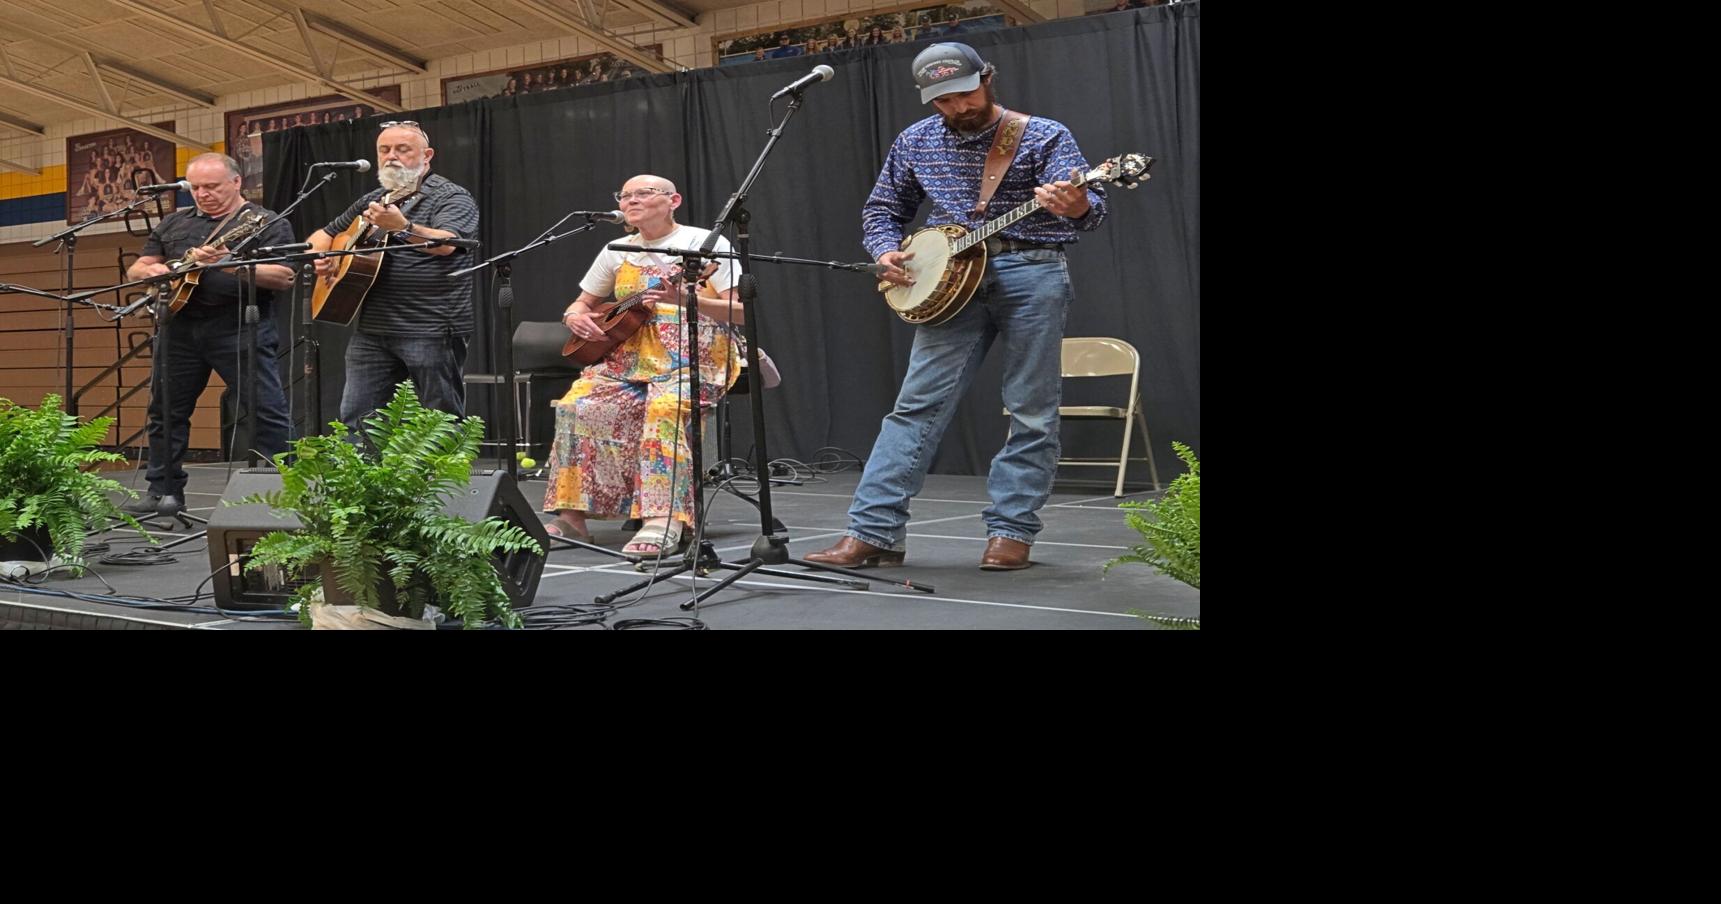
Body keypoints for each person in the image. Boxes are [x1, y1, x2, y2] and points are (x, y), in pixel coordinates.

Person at [805, 42, 1109, 572]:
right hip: (947, 279)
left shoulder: (1044, 134)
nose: (958, 107)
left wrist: (1078, 203)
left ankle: (1012, 531)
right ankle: (873, 532)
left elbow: (1091, 212)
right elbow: (882, 210)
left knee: (1031, 408)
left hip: (1032, 270)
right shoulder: (915, 140)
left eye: (966, 94)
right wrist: (885, 251)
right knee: (915, 407)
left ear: (987, 79)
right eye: (943, 100)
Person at [541, 175, 744, 557]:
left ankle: (663, 519)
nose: (631, 200)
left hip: (693, 358)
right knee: (577, 406)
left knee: (664, 411)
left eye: (643, 193)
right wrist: (574, 316)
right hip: (627, 358)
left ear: (673, 201)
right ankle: (572, 518)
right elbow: (582, 302)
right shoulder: (618, 249)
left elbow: (742, 311)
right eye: (625, 195)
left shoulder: (705, 244)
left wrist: (686, 300)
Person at [122, 153, 296, 516]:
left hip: (239, 326)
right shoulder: (175, 222)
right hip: (179, 327)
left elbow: (283, 276)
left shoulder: (265, 222)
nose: (203, 194)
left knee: (265, 410)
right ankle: (162, 491)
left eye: (212, 187)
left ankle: (281, 493)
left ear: (236, 182)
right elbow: (138, 268)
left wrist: (228, 265)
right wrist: (158, 270)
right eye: (196, 188)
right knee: (165, 411)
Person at [305, 121, 481, 430]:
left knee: (439, 421)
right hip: (373, 329)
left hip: (431, 327)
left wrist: (403, 227)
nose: (391, 156)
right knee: (358, 420)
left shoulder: (451, 196)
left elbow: (448, 244)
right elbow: (324, 234)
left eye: (402, 149)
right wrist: (325, 257)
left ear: (427, 155)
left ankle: (445, 465)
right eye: (384, 150)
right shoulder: (374, 200)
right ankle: (365, 465)